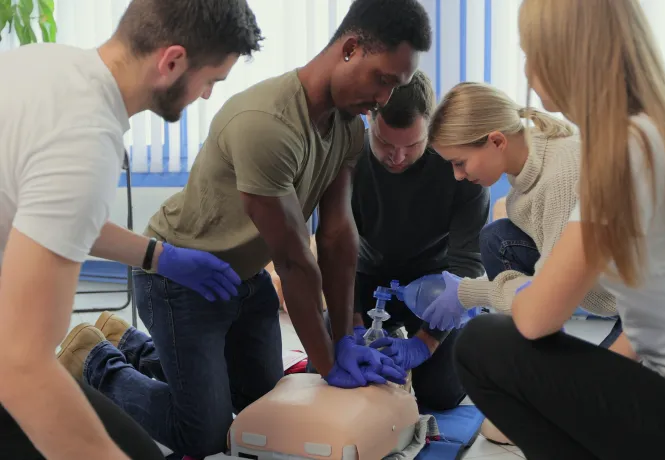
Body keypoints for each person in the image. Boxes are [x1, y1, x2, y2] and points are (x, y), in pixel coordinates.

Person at [60, 0, 433, 457]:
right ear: (351, 48)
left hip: (244, 279)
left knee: (261, 407)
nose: (383, 100)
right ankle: (93, 358)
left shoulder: (347, 128)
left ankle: (129, 342)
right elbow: (295, 260)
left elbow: (337, 236)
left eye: (395, 88)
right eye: (382, 80)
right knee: (204, 433)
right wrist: (327, 361)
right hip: (179, 280)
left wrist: (345, 336)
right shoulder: (268, 125)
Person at [452, 0, 665, 459]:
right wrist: (578, 398)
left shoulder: (622, 150)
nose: (528, 70)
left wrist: (478, 291)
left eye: (531, 52)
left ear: (565, 54)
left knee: (480, 344)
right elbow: (650, 325)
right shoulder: (664, 133)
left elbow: (535, 319)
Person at [0, 0, 261, 459]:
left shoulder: (49, 66)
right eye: (210, 81)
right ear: (173, 61)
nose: (205, 96)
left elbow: (57, 215)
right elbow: (19, 363)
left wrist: (159, 257)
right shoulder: (85, 138)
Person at [423, 82, 617, 332]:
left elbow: (553, 291)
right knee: (497, 237)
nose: (457, 176)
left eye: (460, 163)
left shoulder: (562, 173)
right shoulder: (521, 189)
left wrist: (468, 292)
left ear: (496, 141)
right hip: (597, 291)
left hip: (644, 307)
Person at [348, 70, 489, 410]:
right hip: (365, 276)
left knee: (440, 394)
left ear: (431, 126)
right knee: (339, 374)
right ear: (370, 117)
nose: (397, 157)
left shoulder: (460, 165)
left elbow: (467, 261)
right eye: (385, 143)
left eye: (411, 145)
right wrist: (350, 327)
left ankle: (475, 328)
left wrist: (425, 344)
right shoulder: (348, 158)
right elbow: (335, 248)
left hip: (435, 287)